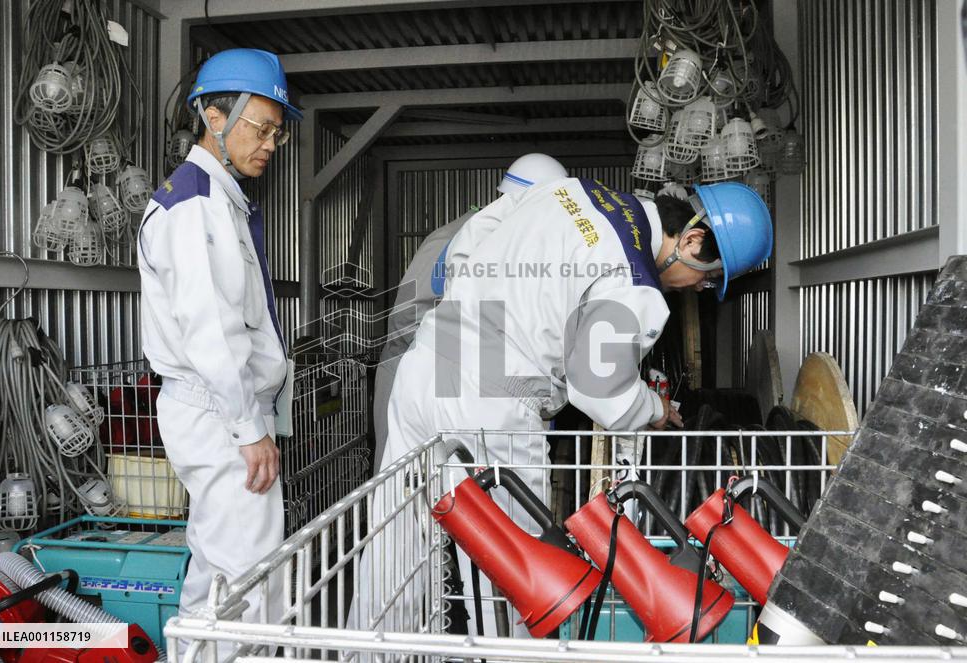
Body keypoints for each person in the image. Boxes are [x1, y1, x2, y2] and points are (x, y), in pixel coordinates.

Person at [376, 178, 773, 636]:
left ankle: (361, 653)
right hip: (492, 405)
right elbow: (600, 390)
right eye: (708, 278)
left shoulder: (571, 190)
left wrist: (482, 313)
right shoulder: (636, 282)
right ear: (692, 239)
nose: (696, 288)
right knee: (518, 580)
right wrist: (654, 410)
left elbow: (469, 243)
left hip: (429, 359)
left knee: (394, 544)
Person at [136, 48, 301, 632]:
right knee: (249, 584)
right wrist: (249, 428)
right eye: (261, 128)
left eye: (276, 134)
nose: (269, 145)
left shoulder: (220, 202)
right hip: (218, 413)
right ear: (213, 116)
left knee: (218, 574)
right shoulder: (194, 207)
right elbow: (212, 331)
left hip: (224, 412)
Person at [371, 154, 567, 473]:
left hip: (444, 369)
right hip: (417, 366)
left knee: (450, 487)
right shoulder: (470, 236)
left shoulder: (494, 231)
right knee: (406, 486)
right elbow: (418, 319)